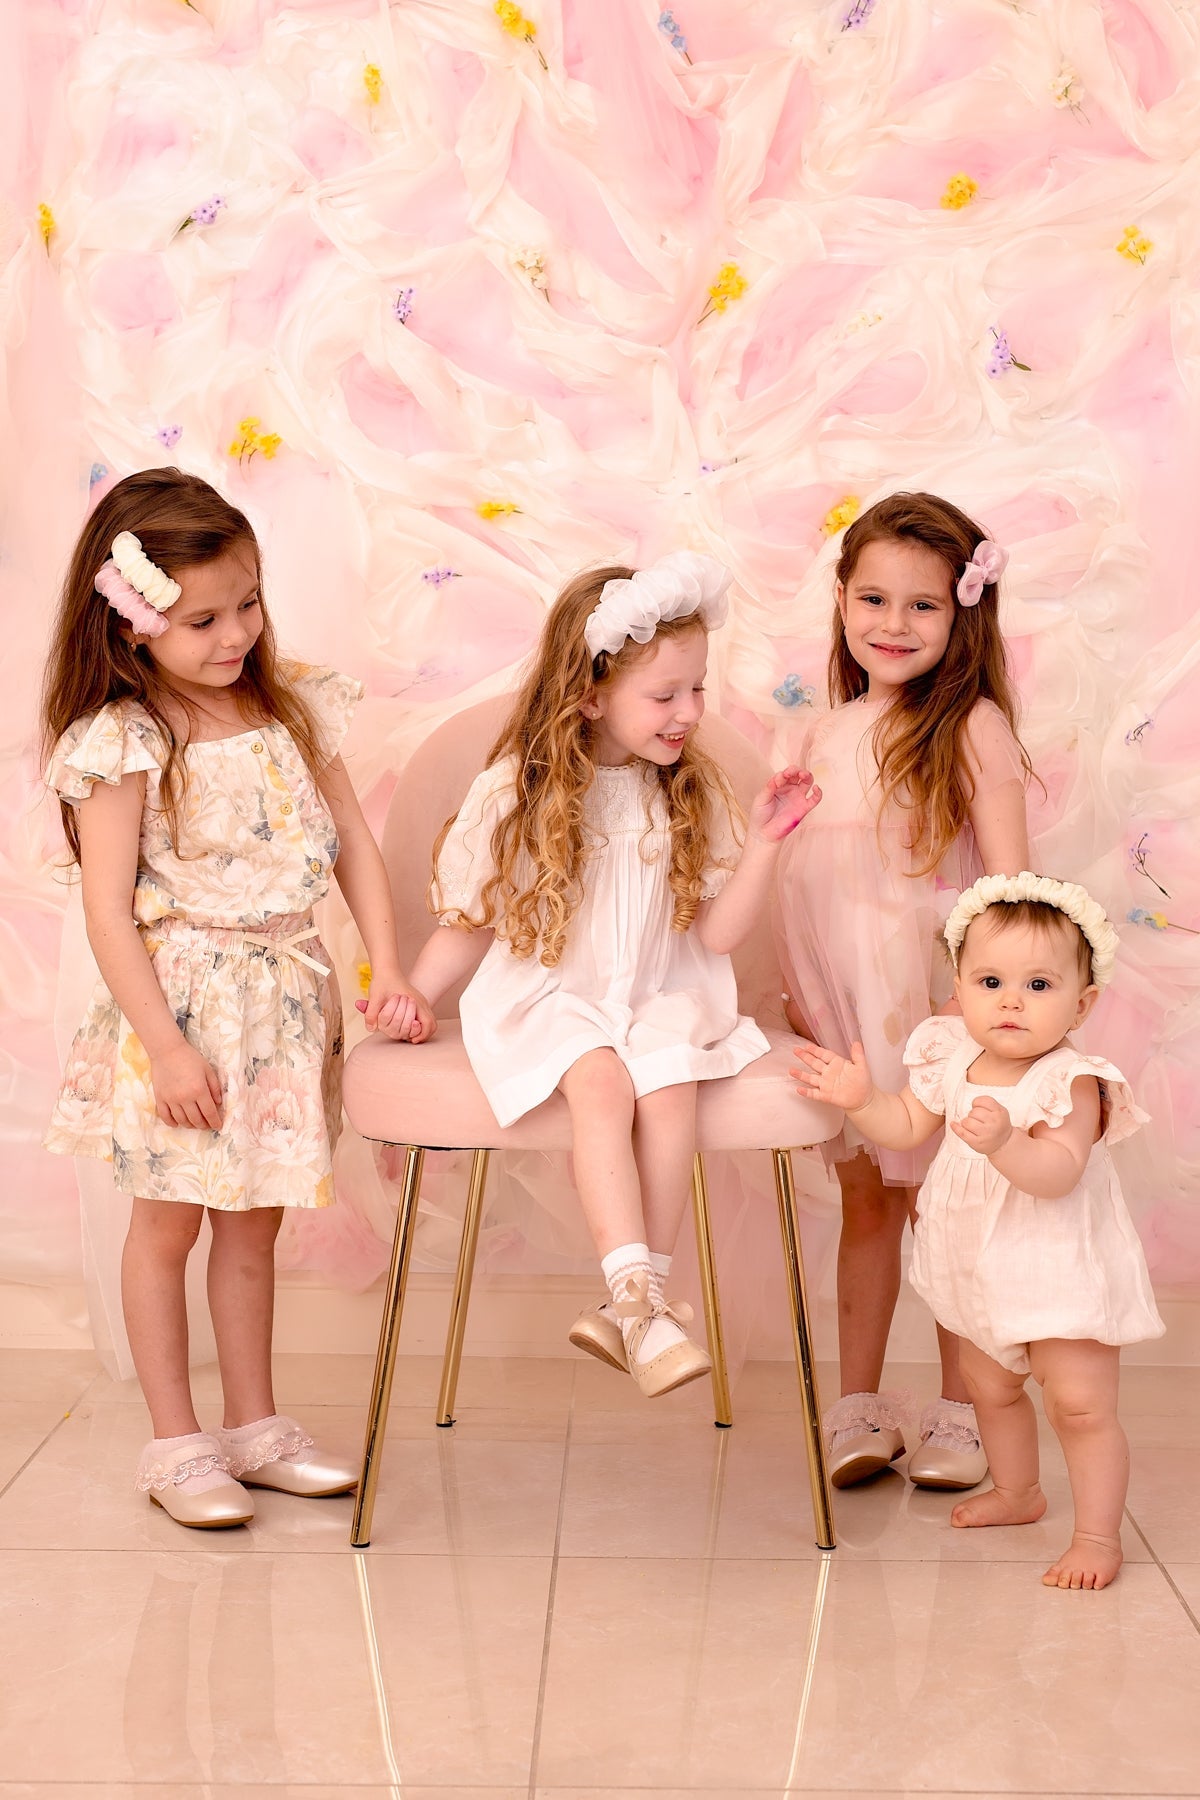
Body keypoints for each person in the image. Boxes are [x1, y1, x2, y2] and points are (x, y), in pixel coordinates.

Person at [42, 468, 433, 1529]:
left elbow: (353, 844)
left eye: (247, 604)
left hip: (283, 1005)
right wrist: (168, 1048)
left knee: (253, 1229)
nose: (236, 635)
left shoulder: (290, 703)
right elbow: (109, 913)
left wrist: (387, 967)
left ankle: (253, 1425)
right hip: (180, 1011)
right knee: (167, 1224)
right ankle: (176, 1443)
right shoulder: (128, 739)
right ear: (132, 624)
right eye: (204, 620)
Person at [407, 553, 820, 1397]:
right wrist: (416, 993)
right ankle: (639, 1301)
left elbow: (720, 933)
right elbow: (469, 918)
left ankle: (634, 1305)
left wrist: (767, 844)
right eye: (665, 696)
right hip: (551, 996)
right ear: (591, 695)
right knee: (601, 1083)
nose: (690, 712)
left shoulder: (688, 791)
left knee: (667, 1083)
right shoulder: (517, 791)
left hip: (657, 993)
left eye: (697, 689)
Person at [794, 873, 1164, 1588]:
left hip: (1059, 1269)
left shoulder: (1071, 1080)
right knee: (990, 1390)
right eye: (990, 982)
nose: (1010, 1002)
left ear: (1082, 1003)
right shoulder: (951, 1054)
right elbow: (907, 1124)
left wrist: (1005, 1144)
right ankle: (1019, 1493)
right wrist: (861, 1100)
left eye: (1038, 985)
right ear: (959, 989)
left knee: (1078, 1406)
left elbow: (1058, 1172)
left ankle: (1097, 1536)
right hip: (976, 1266)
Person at [774, 491, 1033, 1491]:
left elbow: (1009, 887)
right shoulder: (823, 733)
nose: (893, 624)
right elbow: (805, 888)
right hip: (844, 1017)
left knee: (945, 1208)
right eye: (873, 599)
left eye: (922, 604)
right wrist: (802, 995)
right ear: (841, 601)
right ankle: (861, 1405)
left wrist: (983, 1013)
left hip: (934, 1015)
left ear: (962, 614)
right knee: (866, 1201)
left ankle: (963, 1408)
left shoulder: (971, 727)